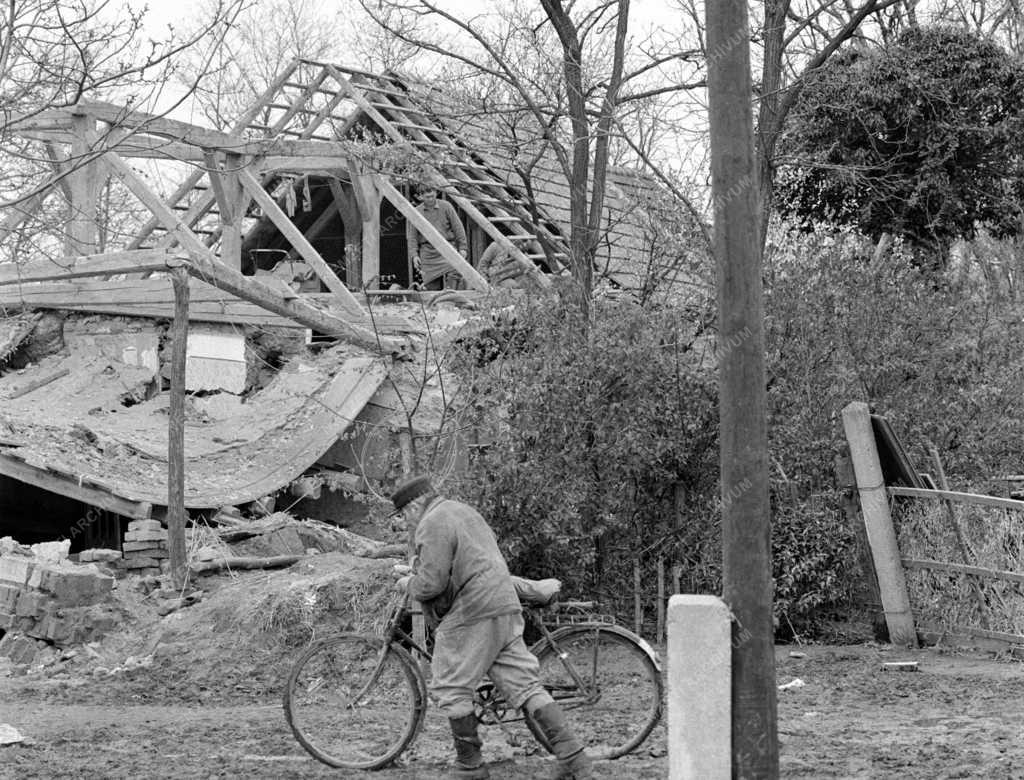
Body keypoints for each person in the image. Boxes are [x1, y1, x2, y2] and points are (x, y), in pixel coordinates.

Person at [390, 474, 593, 780]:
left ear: (414, 505)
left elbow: (431, 584)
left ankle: (470, 765)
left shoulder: (431, 522)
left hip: (472, 610)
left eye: (404, 514)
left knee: (451, 686)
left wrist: (408, 582)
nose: (406, 521)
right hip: (504, 603)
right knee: (526, 686)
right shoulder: (463, 511)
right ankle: (574, 760)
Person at [406, 185, 468, 291]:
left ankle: (450, 299)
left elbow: (458, 228)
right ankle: (436, 304)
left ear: (436, 193)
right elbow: (412, 236)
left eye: (432, 196)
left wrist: (463, 248)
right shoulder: (416, 211)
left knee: (454, 272)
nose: (430, 199)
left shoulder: (446, 206)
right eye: (427, 197)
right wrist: (414, 255)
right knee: (431, 286)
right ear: (420, 197)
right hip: (428, 252)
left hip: (447, 248)